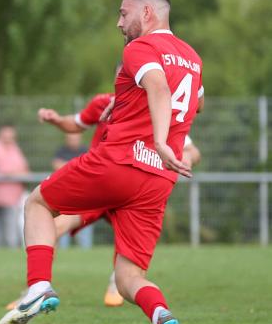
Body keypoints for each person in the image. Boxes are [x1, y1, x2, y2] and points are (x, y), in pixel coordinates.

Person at [0, 0, 203, 324]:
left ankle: (38, 285)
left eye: (124, 14)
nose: (118, 22)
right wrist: (132, 110)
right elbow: (193, 105)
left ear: (146, 13)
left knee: (38, 204)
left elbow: (157, 86)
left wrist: (156, 137)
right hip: (157, 179)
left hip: (121, 161)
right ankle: (163, 318)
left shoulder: (140, 48)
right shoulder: (192, 58)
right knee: (129, 278)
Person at [33, 86, 202, 308]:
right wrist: (56, 120)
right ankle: (36, 286)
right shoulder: (104, 102)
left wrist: (186, 158)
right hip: (102, 185)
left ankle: (114, 280)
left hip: (127, 185)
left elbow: (193, 150)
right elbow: (75, 124)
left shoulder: (156, 109)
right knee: (52, 224)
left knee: (40, 207)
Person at [0, 124, 29, 248]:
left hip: (14, 193)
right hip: (1, 193)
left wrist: (19, 172)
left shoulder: (14, 148)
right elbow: (4, 170)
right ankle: (11, 247)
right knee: (9, 223)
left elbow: (24, 166)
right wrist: (18, 173)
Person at [51, 132, 92, 249]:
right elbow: (56, 165)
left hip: (83, 198)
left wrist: (67, 166)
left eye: (75, 137)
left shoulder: (86, 150)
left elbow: (90, 167)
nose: (73, 140)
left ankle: (85, 251)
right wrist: (78, 166)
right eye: (70, 138)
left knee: (84, 227)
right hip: (65, 197)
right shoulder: (61, 151)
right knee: (62, 227)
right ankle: (63, 250)